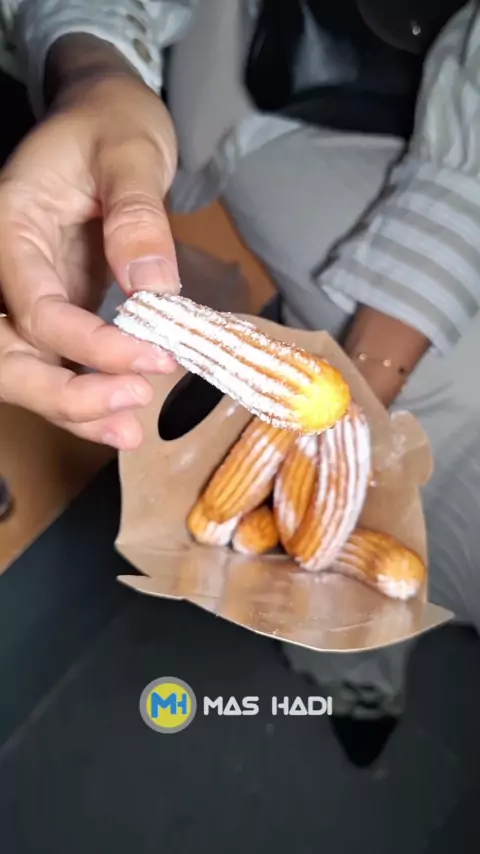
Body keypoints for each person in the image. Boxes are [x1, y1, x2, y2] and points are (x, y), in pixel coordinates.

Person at [1, 0, 479, 765]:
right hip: (308, 82)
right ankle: (353, 672)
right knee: (448, 417)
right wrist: (94, 66)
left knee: (416, 532)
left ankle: (360, 653)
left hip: (439, 120)